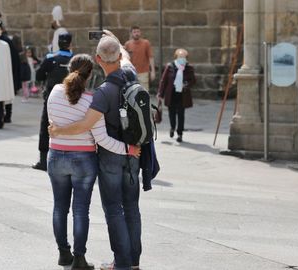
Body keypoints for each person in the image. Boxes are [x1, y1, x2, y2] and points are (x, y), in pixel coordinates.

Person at [49, 31, 143, 270]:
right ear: (120, 55)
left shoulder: (95, 93)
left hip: (87, 157)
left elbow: (83, 126)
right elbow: (96, 134)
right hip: (125, 154)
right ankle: (129, 261)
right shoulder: (130, 76)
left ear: (98, 60)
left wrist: (58, 131)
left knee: (105, 208)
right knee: (128, 207)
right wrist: (129, 149)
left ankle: (76, 255)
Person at [32, 33, 74, 171]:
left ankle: (43, 161)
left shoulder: (51, 58)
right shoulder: (75, 59)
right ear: (70, 43)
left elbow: (38, 75)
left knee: (46, 127)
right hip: (71, 99)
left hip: (51, 99)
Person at [157, 48, 195, 143]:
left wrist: (186, 84)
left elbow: (193, 81)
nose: (182, 58)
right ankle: (172, 127)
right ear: (176, 57)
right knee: (172, 113)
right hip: (171, 94)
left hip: (183, 95)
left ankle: (180, 133)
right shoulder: (170, 66)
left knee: (181, 114)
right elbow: (163, 81)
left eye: (184, 57)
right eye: (180, 56)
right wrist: (160, 93)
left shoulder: (189, 68)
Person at [0, 14, 22, 123]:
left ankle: (7, 115)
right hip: (5, 71)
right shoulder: (3, 40)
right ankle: (2, 115)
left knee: (6, 96)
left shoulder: (5, 41)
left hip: (8, 72)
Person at [124, 26, 155, 91]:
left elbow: (151, 57)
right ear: (131, 34)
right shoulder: (128, 44)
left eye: (138, 31)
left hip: (143, 72)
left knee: (144, 92)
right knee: (132, 92)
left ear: (140, 32)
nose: (136, 33)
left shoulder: (146, 43)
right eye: (134, 32)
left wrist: (153, 71)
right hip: (131, 72)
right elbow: (124, 59)